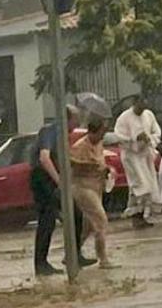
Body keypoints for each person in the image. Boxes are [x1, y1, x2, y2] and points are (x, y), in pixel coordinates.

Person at [31, 105, 95, 276]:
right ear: (67, 119)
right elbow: (44, 158)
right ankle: (41, 264)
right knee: (47, 220)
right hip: (42, 179)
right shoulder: (50, 131)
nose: (78, 123)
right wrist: (59, 181)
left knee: (75, 214)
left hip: (51, 179)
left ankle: (73, 255)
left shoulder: (63, 136)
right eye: (76, 119)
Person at [69, 113, 115, 269]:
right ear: (92, 131)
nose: (103, 136)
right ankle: (103, 259)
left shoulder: (99, 143)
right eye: (101, 132)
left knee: (88, 226)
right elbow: (72, 165)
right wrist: (89, 165)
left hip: (97, 186)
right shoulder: (79, 147)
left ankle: (72, 253)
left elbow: (101, 160)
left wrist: (106, 169)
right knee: (101, 220)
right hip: (83, 188)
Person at [114, 96, 162, 228]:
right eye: (140, 106)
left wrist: (149, 139)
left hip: (145, 156)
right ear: (134, 104)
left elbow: (157, 132)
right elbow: (119, 135)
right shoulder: (124, 118)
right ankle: (136, 216)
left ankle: (143, 216)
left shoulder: (148, 115)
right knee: (139, 185)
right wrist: (135, 138)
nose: (142, 110)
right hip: (132, 157)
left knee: (149, 186)